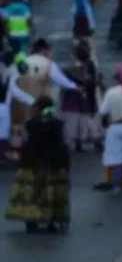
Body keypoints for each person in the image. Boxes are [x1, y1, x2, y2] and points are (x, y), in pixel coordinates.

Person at [5, 96, 70, 232]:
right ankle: (51, 221)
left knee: (32, 192)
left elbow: (24, 142)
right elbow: (64, 144)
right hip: (54, 163)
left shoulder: (30, 124)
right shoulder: (58, 124)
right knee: (52, 192)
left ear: (37, 108)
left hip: (32, 163)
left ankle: (31, 220)